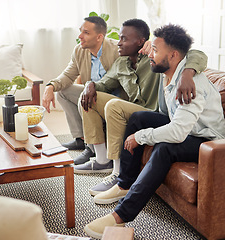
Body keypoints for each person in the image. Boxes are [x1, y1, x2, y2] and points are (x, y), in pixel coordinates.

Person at [83, 24, 225, 240]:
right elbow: (170, 117)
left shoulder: (191, 84)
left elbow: (178, 133)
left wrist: (140, 137)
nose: (151, 54)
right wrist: (142, 129)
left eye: (155, 50)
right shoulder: (168, 71)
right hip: (186, 127)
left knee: (165, 149)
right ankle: (125, 182)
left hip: (205, 139)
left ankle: (121, 216)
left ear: (174, 55)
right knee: (138, 118)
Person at [74, 19, 207, 195]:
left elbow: (197, 54)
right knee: (89, 97)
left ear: (140, 41)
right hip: (134, 111)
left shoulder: (154, 56)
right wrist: (90, 85)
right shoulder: (121, 63)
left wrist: (188, 73)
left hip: (154, 113)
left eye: (123, 39)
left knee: (114, 105)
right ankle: (101, 159)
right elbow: (103, 84)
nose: (118, 43)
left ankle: (117, 173)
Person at [42, 16, 119, 158]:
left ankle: (91, 148)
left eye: (86, 33)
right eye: (80, 31)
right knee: (63, 92)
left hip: (114, 98)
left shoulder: (116, 49)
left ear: (99, 37)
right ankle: (81, 139)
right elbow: (67, 75)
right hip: (92, 93)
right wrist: (50, 86)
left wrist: (148, 43)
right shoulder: (79, 50)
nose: (80, 36)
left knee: (85, 98)